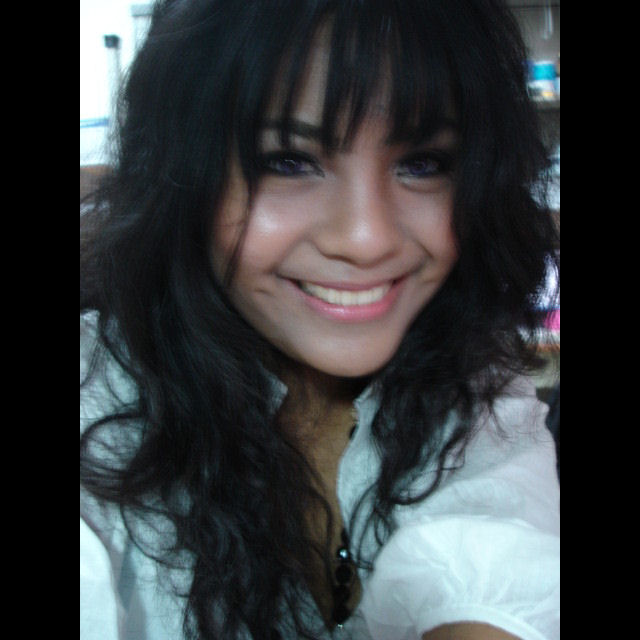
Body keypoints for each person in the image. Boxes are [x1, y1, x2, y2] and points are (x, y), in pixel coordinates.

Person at [80, 1, 560, 639]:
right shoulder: (97, 399)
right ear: (182, 177)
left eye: (423, 163)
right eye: (287, 161)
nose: (367, 240)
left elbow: (495, 562)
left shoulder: (470, 376)